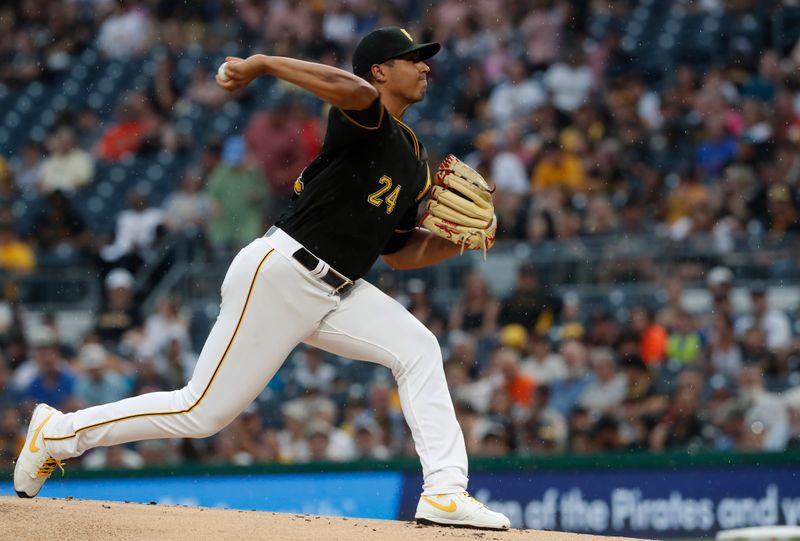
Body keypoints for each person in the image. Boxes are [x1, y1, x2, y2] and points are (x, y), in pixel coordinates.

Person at [14, 27, 510, 530]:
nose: (426, 66)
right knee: (201, 411)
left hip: (338, 291)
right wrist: (263, 63)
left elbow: (400, 253)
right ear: (380, 70)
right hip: (281, 273)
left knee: (419, 348)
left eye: (425, 59)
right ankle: (58, 433)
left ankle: (445, 492)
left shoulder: (415, 161)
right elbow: (354, 92)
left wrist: (457, 240)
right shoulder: (362, 116)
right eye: (412, 59)